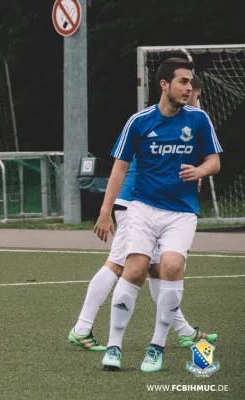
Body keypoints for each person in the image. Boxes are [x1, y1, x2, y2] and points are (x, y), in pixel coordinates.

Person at [68, 74, 217, 351]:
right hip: (136, 202)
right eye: (190, 90)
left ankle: (183, 330)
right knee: (120, 264)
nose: (191, 97)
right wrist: (106, 209)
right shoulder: (150, 121)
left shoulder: (188, 122)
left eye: (193, 91)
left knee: (158, 268)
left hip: (147, 203)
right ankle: (82, 327)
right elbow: (123, 166)